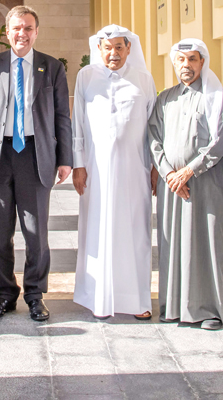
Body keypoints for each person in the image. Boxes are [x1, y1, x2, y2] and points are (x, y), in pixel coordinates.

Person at [0, 6, 72, 322]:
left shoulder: (51, 68)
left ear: (36, 32)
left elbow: (62, 117)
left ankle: (36, 295)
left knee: (35, 232)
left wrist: (65, 159)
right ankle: (4, 295)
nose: (22, 34)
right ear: (7, 32)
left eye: (28, 28)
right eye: (16, 28)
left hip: (35, 155)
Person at [71, 25, 156, 320]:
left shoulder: (144, 79)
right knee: (97, 231)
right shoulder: (86, 77)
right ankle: (97, 298)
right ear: (99, 49)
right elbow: (77, 123)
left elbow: (153, 128)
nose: (114, 53)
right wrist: (78, 164)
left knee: (134, 233)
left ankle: (137, 300)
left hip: (134, 171)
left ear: (129, 48)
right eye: (108, 47)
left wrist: (155, 166)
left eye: (119, 47)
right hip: (95, 171)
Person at [147, 39, 223, 329]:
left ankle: (207, 311)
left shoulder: (215, 97)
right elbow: (154, 138)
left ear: (202, 62)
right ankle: (174, 307)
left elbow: (220, 142)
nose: (186, 65)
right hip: (173, 187)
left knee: (205, 242)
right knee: (172, 244)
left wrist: (189, 171)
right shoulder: (165, 98)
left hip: (205, 183)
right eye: (181, 60)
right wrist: (170, 173)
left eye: (192, 59)